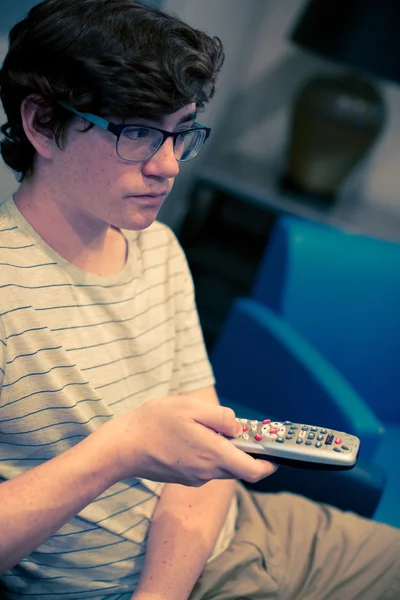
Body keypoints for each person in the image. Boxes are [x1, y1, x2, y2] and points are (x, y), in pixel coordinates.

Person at [0, 1, 398, 599]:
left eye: (180, 133)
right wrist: (120, 450)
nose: (168, 167)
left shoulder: (157, 248)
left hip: (236, 534)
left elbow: (213, 452)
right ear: (40, 123)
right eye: (137, 132)